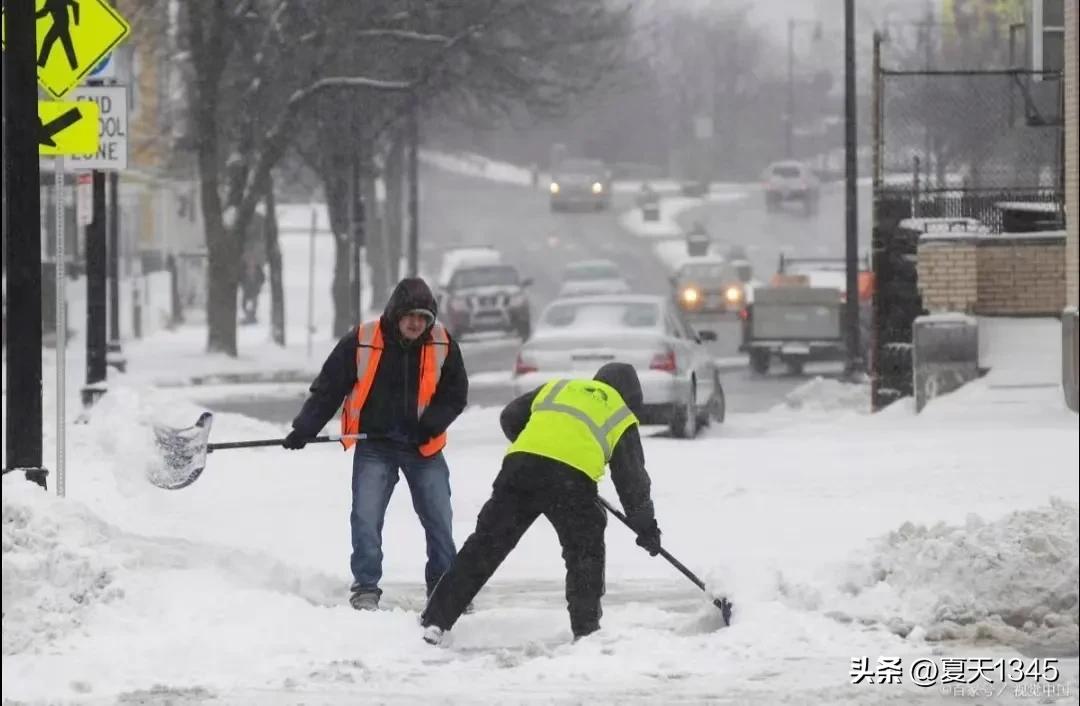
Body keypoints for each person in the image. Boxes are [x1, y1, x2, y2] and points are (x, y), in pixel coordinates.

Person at [420, 362, 661, 645]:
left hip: (520, 468)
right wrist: (646, 528)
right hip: (570, 482)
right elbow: (632, 480)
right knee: (584, 552)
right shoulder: (620, 412)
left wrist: (540, 449)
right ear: (631, 398)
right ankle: (586, 632)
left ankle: (435, 621)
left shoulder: (560, 387)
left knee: (485, 546)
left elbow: (510, 417)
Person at [284, 277, 469, 611]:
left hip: (423, 447)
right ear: (396, 313)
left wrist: (429, 425)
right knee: (366, 517)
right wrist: (304, 427)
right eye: (410, 315)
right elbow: (329, 389)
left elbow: (454, 396)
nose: (416, 323)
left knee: (439, 519)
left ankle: (445, 587)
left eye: (423, 317)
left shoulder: (442, 343)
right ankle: (366, 587)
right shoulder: (362, 340)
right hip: (376, 447)